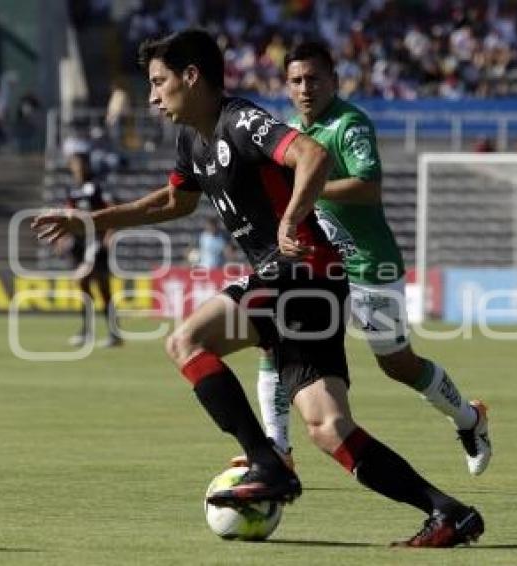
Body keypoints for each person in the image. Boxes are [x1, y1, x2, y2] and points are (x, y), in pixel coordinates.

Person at [32, 29, 484, 547]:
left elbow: (312, 155)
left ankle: (267, 462)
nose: (153, 96)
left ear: (192, 77)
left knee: (185, 341)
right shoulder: (192, 139)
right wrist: (96, 221)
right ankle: (448, 512)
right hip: (315, 285)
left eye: (159, 82)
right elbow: (174, 203)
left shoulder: (239, 120)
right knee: (328, 427)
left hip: (301, 270)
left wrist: (292, 218)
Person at [236, 41, 492, 481]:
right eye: (296, 80)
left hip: (369, 265)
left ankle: (469, 419)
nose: (305, 87)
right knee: (274, 335)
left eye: (314, 78)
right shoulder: (289, 133)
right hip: (320, 265)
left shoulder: (349, 124)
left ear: (334, 80)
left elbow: (368, 187)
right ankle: (276, 448)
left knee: (397, 364)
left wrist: (306, 193)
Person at [62, 137, 122, 348]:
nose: (75, 167)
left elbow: (112, 208)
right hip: (80, 244)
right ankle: (88, 332)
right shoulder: (72, 190)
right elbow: (68, 214)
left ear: (86, 164)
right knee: (85, 287)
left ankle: (113, 333)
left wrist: (110, 233)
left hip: (96, 242)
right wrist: (64, 236)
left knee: (98, 285)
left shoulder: (96, 186)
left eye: (78, 163)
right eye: (73, 163)